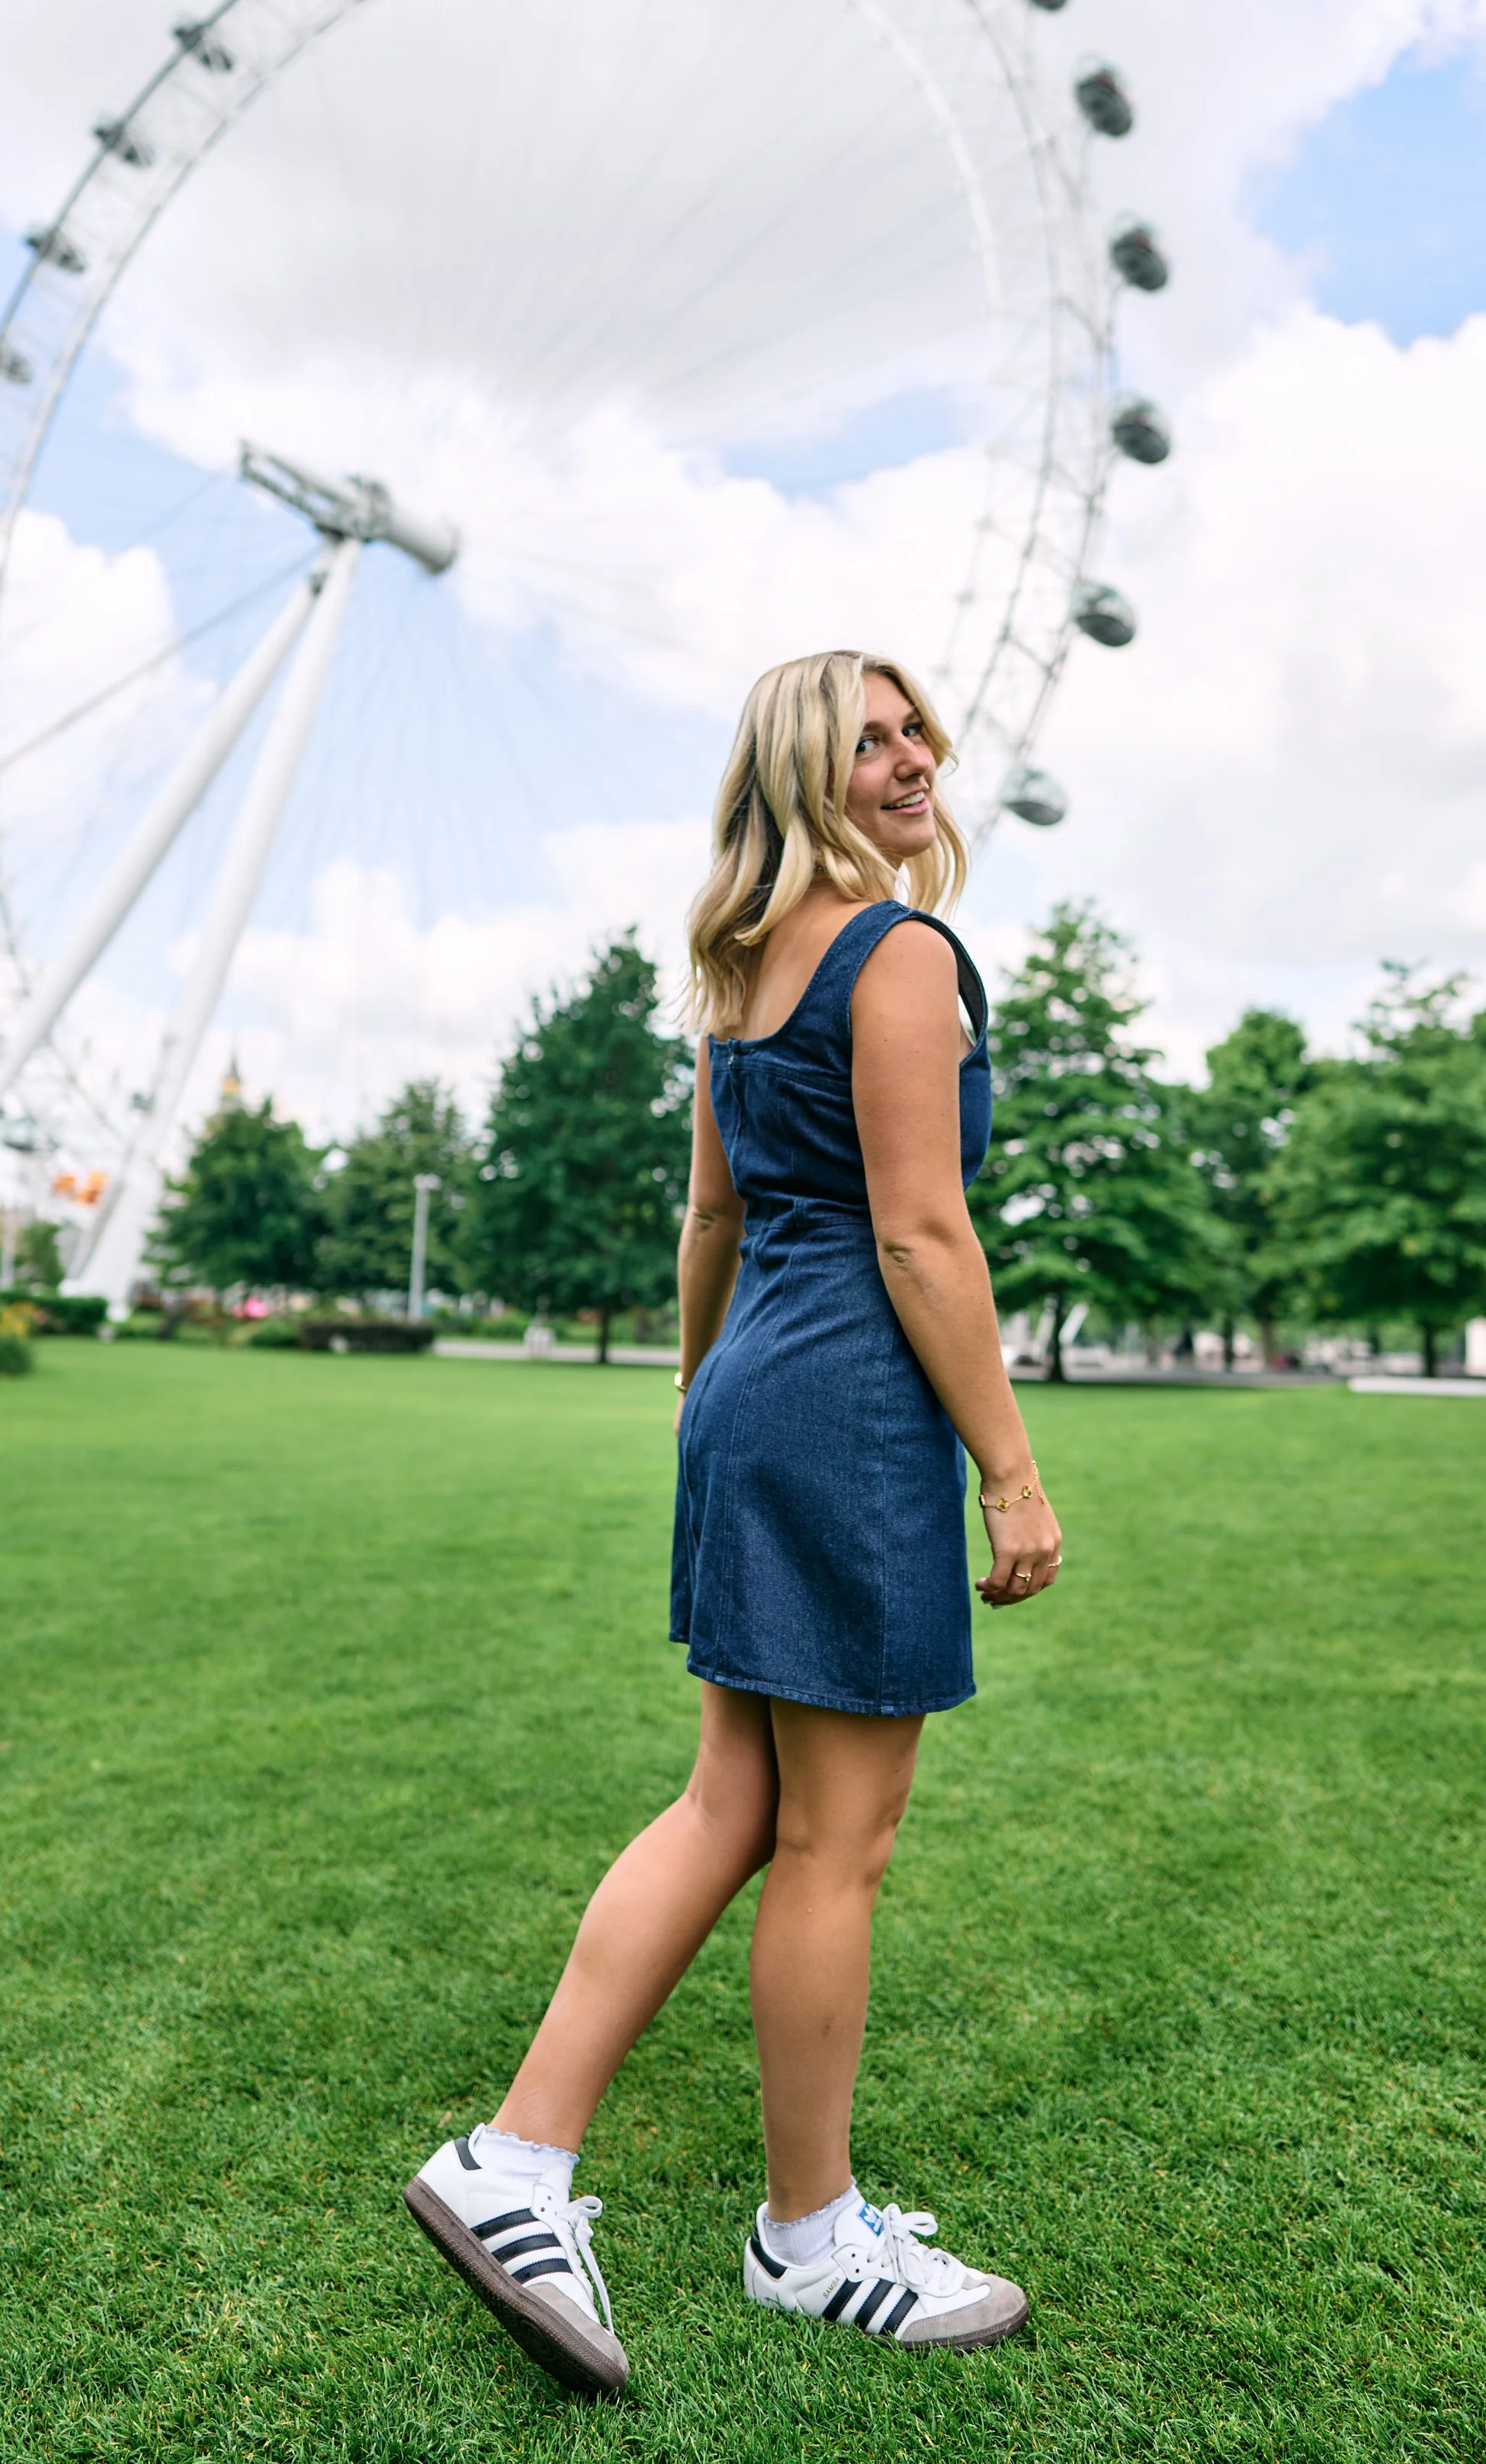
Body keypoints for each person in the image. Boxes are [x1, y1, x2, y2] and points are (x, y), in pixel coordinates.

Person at [406, 650, 1062, 2398]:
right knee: (832, 1840)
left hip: (750, 1396)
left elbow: (708, 1225)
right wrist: (1004, 1461)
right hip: (846, 1412)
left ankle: (517, 2157)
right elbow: (920, 1235)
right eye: (868, 739)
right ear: (800, 774)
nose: (912, 755)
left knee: (733, 1798)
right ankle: (806, 2231)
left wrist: (704, 1404)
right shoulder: (899, 955)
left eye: (916, 725)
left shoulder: (733, 980)